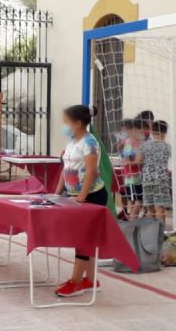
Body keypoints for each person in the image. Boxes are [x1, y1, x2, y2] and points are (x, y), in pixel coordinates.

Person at [54, 104, 107, 297]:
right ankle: (91, 280)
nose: (64, 126)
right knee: (86, 238)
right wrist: (57, 193)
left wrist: (82, 197)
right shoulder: (72, 141)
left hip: (91, 195)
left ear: (77, 123)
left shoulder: (89, 142)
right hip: (74, 194)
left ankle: (75, 282)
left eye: (66, 122)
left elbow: (92, 171)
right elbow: (66, 168)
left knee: (83, 239)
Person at [138, 120, 171, 224]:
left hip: (147, 179)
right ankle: (160, 233)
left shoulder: (144, 145)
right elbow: (173, 160)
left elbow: (139, 161)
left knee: (150, 207)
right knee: (160, 207)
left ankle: (150, 233)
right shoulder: (167, 147)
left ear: (152, 132)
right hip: (160, 180)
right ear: (165, 133)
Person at [122, 118, 145, 219]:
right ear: (133, 130)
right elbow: (127, 161)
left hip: (137, 177)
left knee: (137, 201)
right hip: (132, 177)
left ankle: (133, 221)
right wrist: (138, 161)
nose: (141, 132)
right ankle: (132, 222)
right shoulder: (129, 143)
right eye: (139, 130)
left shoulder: (138, 143)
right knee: (136, 201)